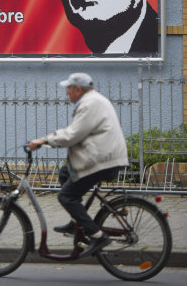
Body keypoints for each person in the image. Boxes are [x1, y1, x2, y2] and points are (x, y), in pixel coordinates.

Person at [28, 72, 129, 254]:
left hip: (102, 160)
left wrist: (44, 141)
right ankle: (77, 221)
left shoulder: (90, 103)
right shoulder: (93, 100)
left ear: (77, 89)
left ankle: (98, 236)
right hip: (103, 156)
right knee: (65, 173)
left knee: (66, 197)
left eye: (69, 88)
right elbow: (76, 132)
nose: (67, 92)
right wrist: (50, 139)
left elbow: (73, 135)